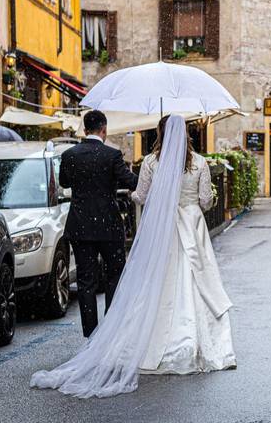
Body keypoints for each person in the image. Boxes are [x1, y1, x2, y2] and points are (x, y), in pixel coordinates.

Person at [31, 115, 236, 398]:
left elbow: (139, 195)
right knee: (191, 280)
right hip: (189, 226)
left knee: (143, 281)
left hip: (140, 229)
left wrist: (155, 197)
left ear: (159, 133)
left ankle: (106, 336)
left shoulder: (150, 162)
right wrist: (205, 197)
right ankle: (191, 340)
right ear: (187, 134)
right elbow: (205, 201)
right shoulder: (199, 163)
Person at [59, 110, 138, 338]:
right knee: (114, 275)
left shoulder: (70, 155)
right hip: (108, 225)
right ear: (104, 129)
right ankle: (110, 332)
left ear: (85, 130)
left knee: (86, 281)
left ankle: (91, 334)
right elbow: (129, 181)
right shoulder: (112, 155)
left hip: (80, 225)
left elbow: (64, 181)